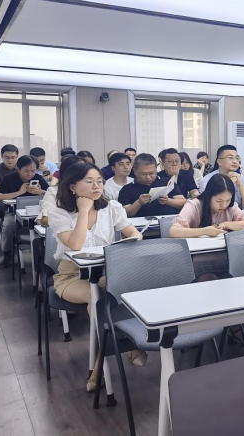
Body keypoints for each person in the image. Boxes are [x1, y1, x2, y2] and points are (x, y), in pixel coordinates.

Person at [48, 161, 143, 391]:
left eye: (99, 181)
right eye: (89, 182)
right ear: (72, 186)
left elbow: (133, 233)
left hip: (106, 271)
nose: (97, 186)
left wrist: (133, 238)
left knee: (127, 288)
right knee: (98, 297)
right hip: (72, 276)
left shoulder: (112, 208)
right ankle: (123, 349)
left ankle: (101, 362)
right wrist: (83, 211)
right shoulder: (58, 212)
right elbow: (76, 244)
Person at [0, 155, 49, 268]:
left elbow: (52, 196)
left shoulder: (38, 178)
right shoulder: (9, 179)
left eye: (33, 170)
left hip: (37, 213)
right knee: (8, 225)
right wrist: (19, 192)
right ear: (18, 169)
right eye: (26, 171)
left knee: (51, 224)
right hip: (14, 212)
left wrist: (40, 192)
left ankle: (46, 256)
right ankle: (7, 255)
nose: (30, 174)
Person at [169, 174, 244, 241]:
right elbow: (173, 232)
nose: (224, 205)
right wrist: (205, 231)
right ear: (209, 196)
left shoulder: (231, 207)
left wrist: (225, 224)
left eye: (228, 200)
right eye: (219, 201)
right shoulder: (194, 205)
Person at [118, 153, 185, 217]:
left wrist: (168, 201)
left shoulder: (166, 182)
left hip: (168, 220)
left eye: (151, 173)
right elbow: (125, 213)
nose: (148, 177)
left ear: (156, 169)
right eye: (143, 174)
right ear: (135, 171)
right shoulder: (127, 189)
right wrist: (139, 203)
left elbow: (183, 202)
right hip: (141, 223)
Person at [40, 155, 84, 226]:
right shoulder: (54, 191)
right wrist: (75, 222)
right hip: (64, 230)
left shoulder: (90, 190)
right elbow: (45, 219)